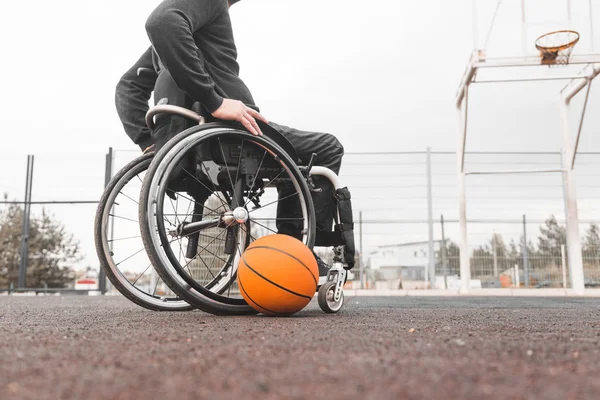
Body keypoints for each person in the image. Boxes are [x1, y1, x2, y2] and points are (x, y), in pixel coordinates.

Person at [115, 0, 345, 275]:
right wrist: (215, 102)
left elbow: (128, 86)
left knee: (290, 164)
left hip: (199, 143)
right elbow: (160, 21)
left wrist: (149, 142)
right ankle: (300, 250)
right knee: (327, 148)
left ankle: (292, 242)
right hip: (234, 137)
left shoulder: (180, 39)